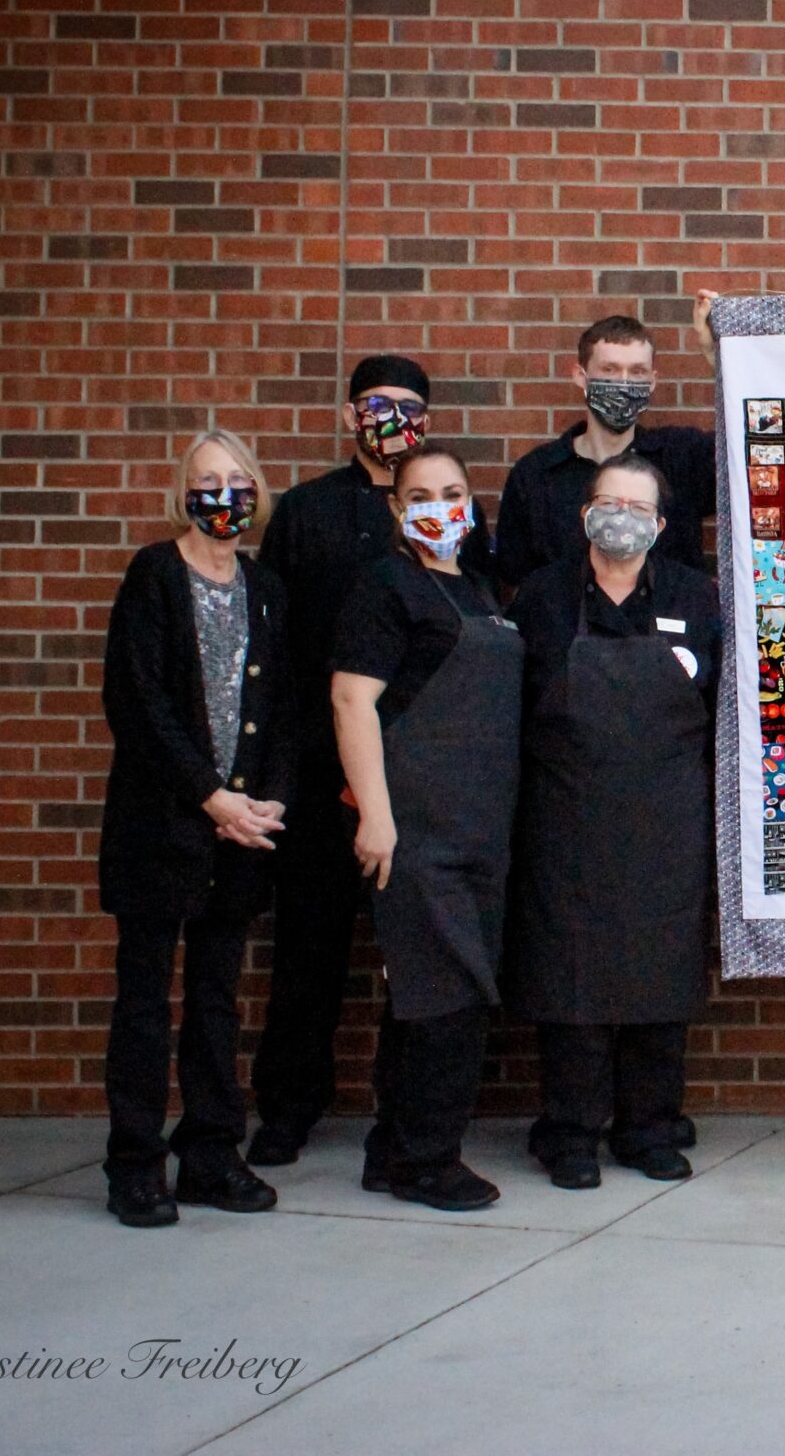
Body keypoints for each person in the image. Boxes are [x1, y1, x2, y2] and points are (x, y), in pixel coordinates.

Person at [248, 355, 492, 1166]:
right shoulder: (308, 511)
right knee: (309, 951)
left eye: (410, 406)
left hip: (420, 782)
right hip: (324, 770)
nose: (393, 418)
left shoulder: (457, 543)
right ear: (353, 413)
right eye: (379, 405)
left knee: (415, 964)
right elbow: (276, 643)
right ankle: (287, 1110)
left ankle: (401, 1126)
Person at [507, 454, 722, 1189]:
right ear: (585, 514)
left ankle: (650, 1128)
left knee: (661, 984)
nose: (622, 516)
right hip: (566, 822)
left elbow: (725, 714)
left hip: (669, 826)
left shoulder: (699, 600)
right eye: (610, 502)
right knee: (573, 988)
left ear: (662, 525)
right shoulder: (539, 598)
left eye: (639, 506)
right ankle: (568, 1133)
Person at [96, 430, 291, 1227]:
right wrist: (211, 797)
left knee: (217, 997)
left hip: (243, 832)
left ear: (256, 492)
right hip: (163, 826)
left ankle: (211, 1150)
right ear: (184, 490)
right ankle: (135, 1164)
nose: (223, 494)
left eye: (236, 480)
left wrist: (265, 802)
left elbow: (283, 707)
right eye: (206, 480)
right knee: (145, 998)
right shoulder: (153, 573)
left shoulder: (265, 585)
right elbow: (136, 703)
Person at [330, 444, 523, 1211]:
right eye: (420, 494)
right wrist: (376, 815)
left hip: (480, 829)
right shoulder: (385, 587)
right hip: (417, 830)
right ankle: (429, 1159)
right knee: (447, 997)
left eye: (451, 492)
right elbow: (352, 702)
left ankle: (390, 1150)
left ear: (472, 504)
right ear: (395, 507)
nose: (438, 505)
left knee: (422, 995)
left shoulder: (478, 590)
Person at [495, 313, 717, 587]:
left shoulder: (684, 456)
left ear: (652, 381)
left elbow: (756, 455)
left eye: (637, 372)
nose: (623, 383)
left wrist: (715, 354)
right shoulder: (535, 475)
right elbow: (516, 580)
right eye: (610, 370)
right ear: (581, 376)